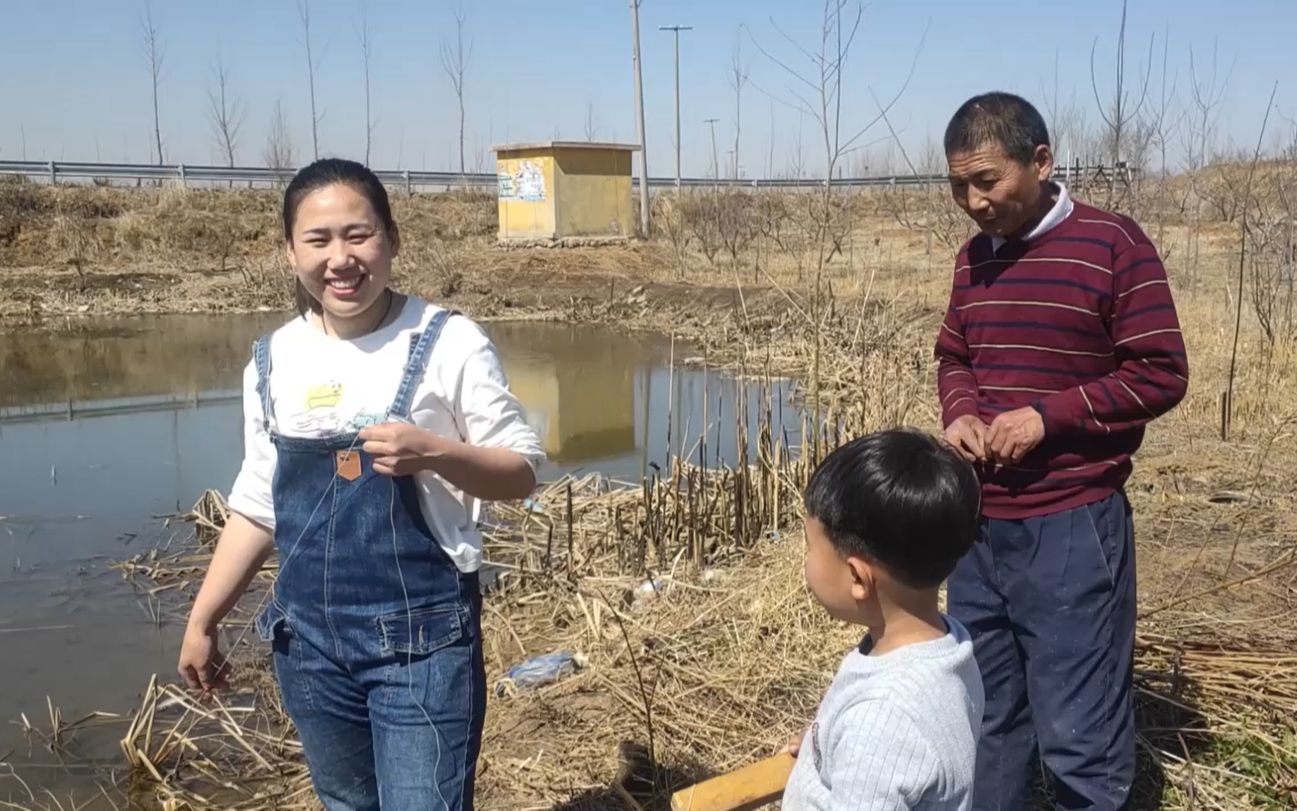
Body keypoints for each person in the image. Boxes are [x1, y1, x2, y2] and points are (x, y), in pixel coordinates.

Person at [177, 158, 545, 811]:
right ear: (289, 250)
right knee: (346, 802)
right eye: (318, 240)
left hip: (422, 643)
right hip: (307, 644)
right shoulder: (272, 358)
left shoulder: (447, 341)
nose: (340, 258)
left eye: (359, 234)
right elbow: (260, 502)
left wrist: (435, 452)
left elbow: (521, 472)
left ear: (392, 239)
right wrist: (203, 618)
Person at [935, 92, 1189, 809]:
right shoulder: (971, 261)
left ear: (1040, 162)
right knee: (988, 716)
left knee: (1081, 733)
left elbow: (1159, 373)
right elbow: (953, 354)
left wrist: (1045, 419)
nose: (973, 201)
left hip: (1071, 525)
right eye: (958, 186)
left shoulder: (1112, 245)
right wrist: (959, 413)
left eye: (986, 181)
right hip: (978, 527)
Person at [783, 429, 985, 810]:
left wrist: (858, 740)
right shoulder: (949, 647)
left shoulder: (882, 722)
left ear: (858, 578)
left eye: (812, 547)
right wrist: (823, 746)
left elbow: (882, 744)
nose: (806, 561)